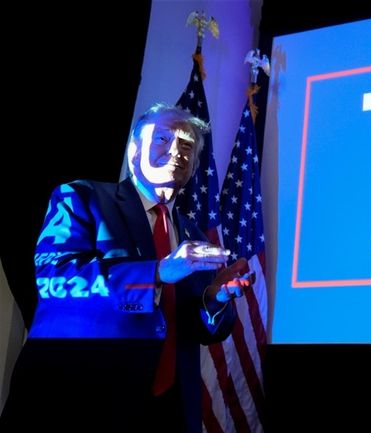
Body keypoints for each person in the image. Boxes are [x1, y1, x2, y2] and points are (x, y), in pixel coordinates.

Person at [0, 103, 253, 433]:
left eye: (187, 145)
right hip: (78, 402)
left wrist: (216, 299)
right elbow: (54, 280)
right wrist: (156, 273)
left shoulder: (192, 234)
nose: (176, 150)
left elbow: (197, 329)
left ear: (193, 167)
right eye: (163, 138)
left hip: (166, 411)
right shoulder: (81, 198)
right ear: (134, 150)